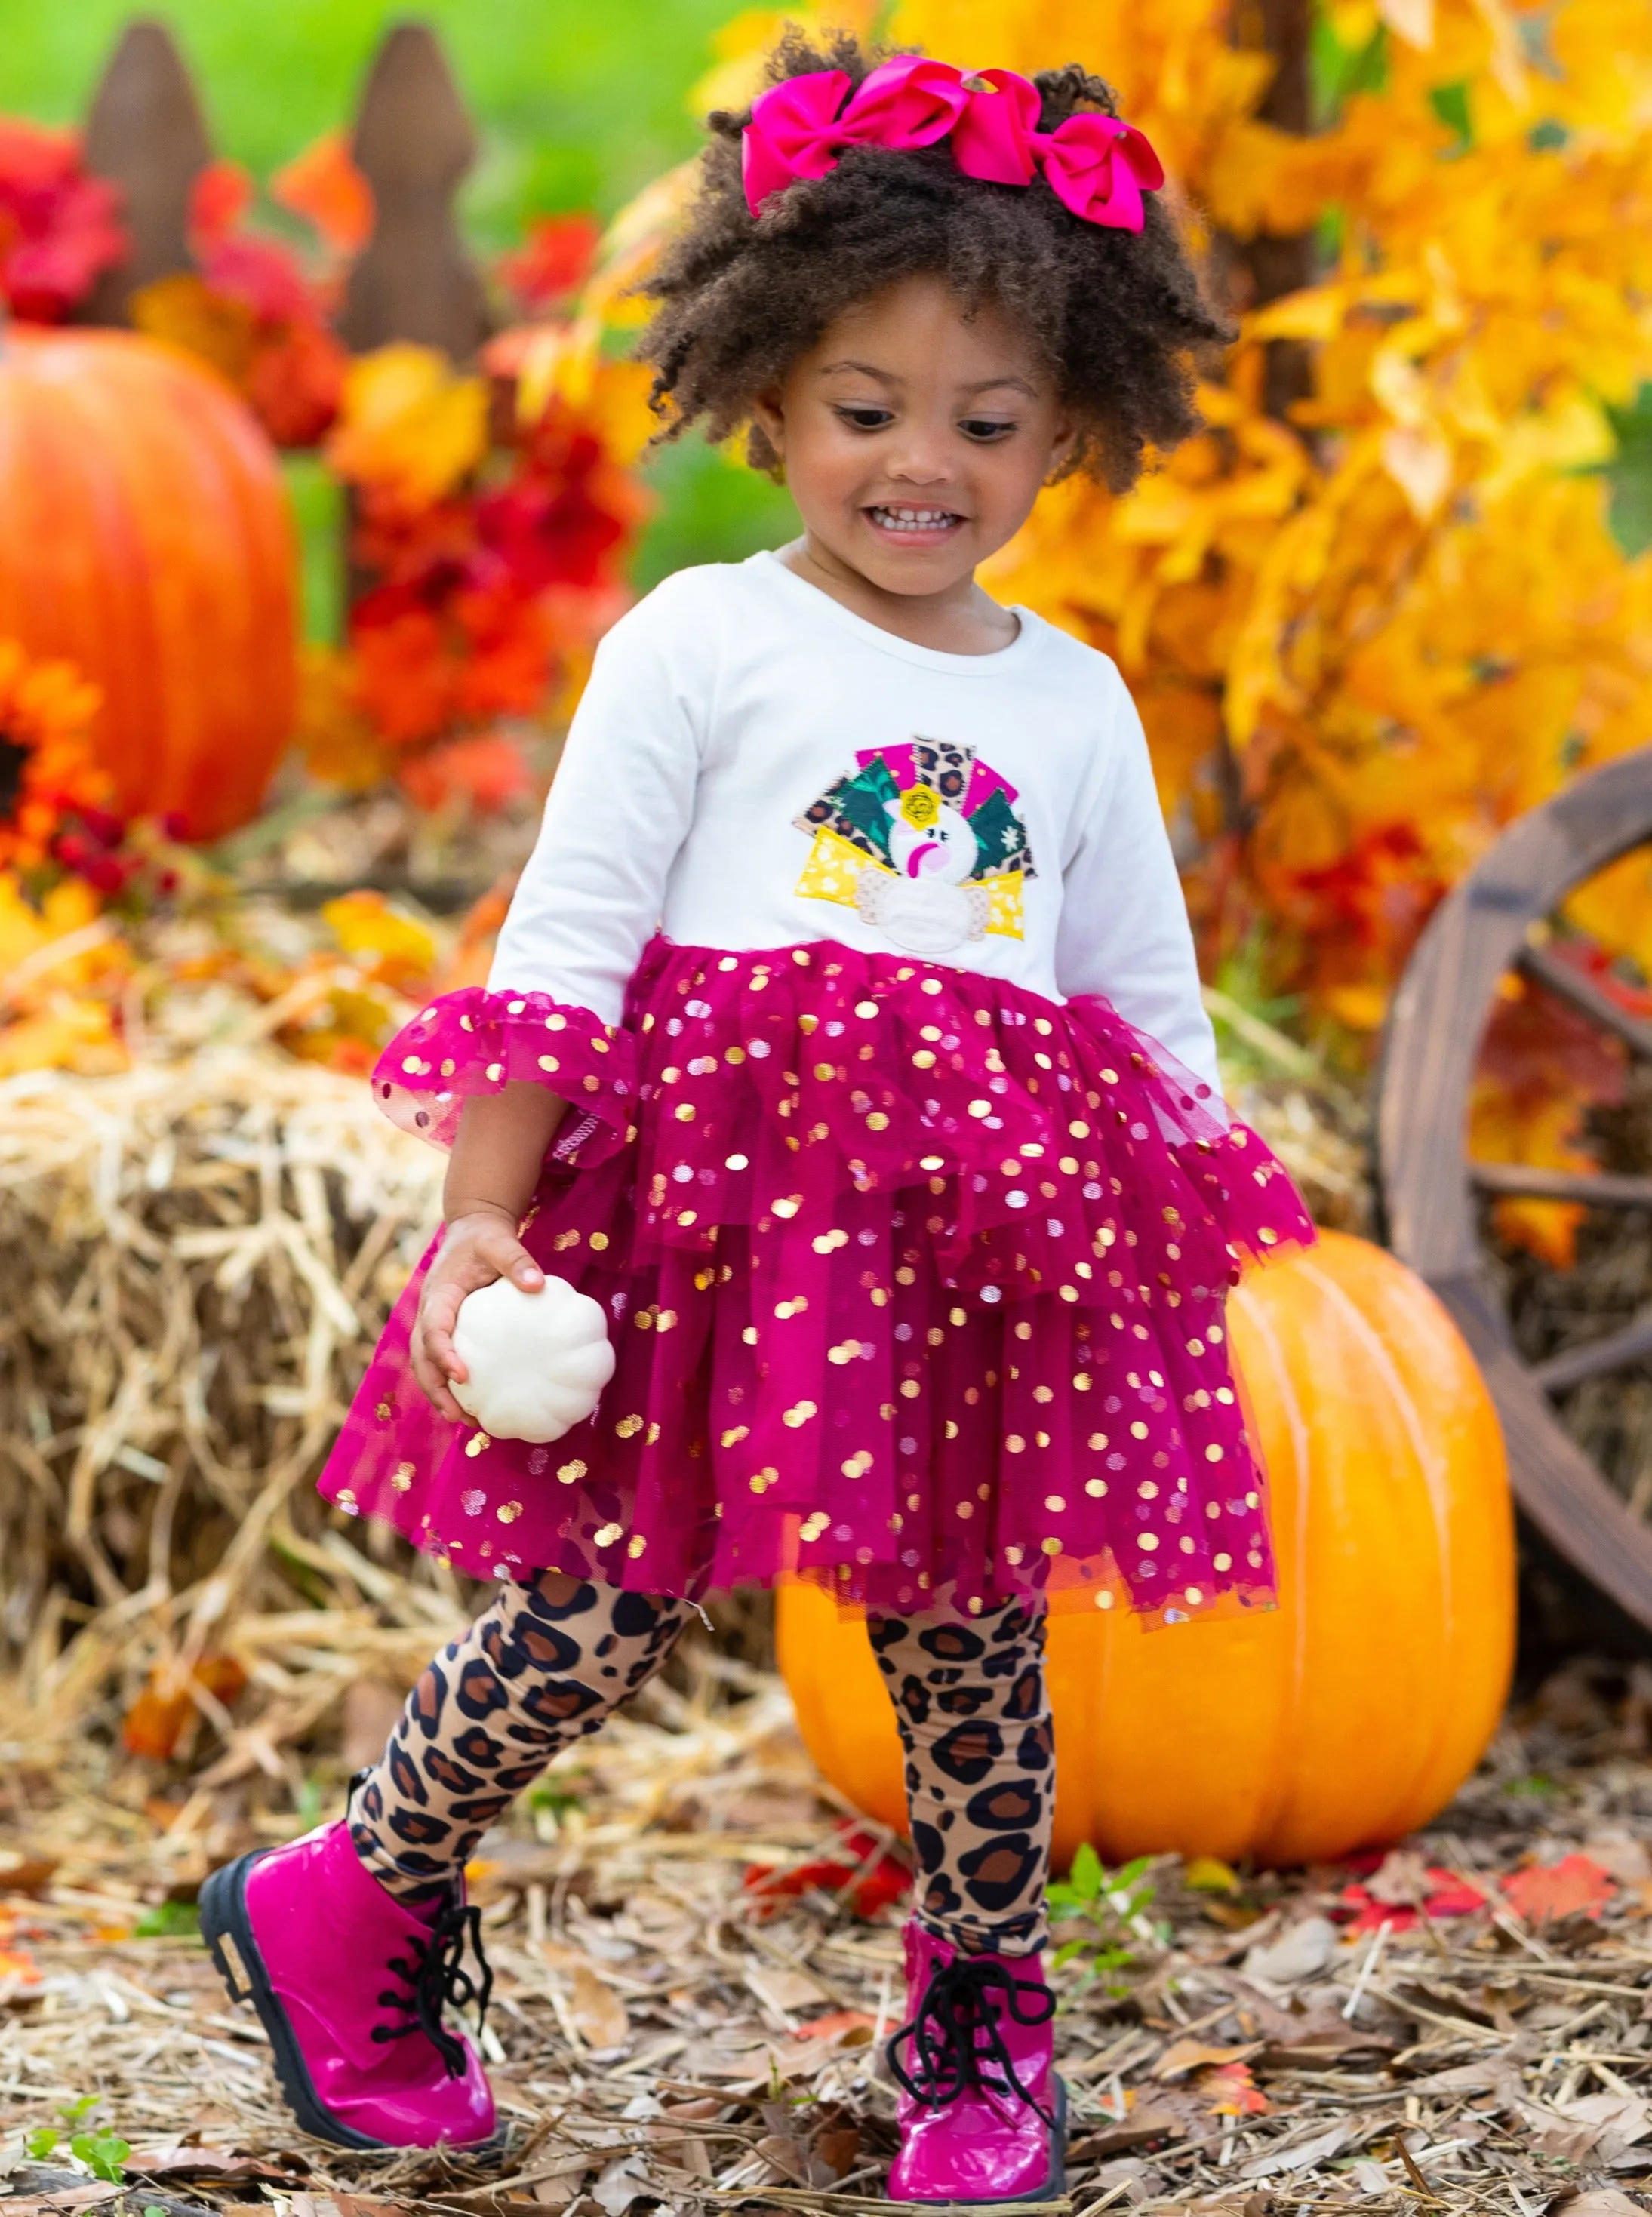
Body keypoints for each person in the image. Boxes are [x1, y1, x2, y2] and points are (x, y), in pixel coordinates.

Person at [201, 31, 1313, 2200]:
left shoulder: (1070, 703)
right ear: (768, 396)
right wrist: (482, 1223)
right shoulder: (700, 644)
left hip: (971, 1247)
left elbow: (1138, 1005)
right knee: (593, 1600)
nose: (926, 465)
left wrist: (1193, 1266)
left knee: (973, 1634)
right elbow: (569, 942)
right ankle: (352, 1896)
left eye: (987, 424)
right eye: (865, 413)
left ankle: (981, 2022)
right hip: (712, 1216)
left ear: (1072, 421)